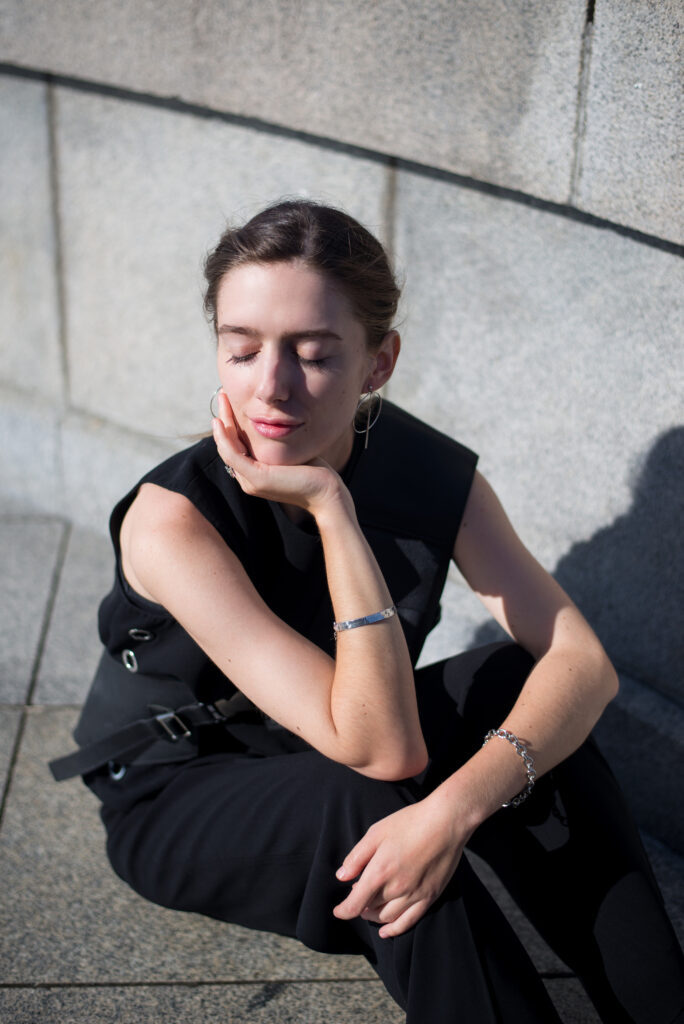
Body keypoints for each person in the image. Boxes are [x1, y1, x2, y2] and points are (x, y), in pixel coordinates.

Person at [50, 200, 684, 1023]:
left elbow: (582, 666)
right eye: (241, 350)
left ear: (379, 363)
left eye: (312, 355)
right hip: (186, 794)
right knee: (370, 803)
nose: (269, 388)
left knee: (511, 680)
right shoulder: (173, 522)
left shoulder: (431, 475)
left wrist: (456, 809)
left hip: (347, 753)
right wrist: (332, 508)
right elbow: (383, 751)